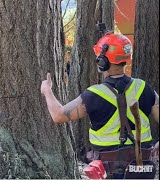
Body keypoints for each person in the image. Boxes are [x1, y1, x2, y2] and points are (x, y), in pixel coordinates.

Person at [41, 32, 159, 178]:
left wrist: (47, 91)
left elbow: (58, 115)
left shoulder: (94, 94)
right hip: (143, 168)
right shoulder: (144, 88)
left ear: (103, 61)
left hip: (109, 170)